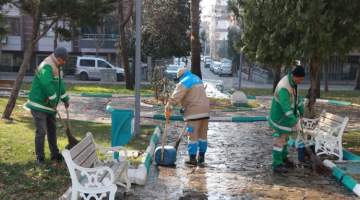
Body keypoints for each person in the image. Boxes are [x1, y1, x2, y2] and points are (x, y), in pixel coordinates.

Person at [25, 47, 70, 164]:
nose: (64, 62)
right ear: (59, 58)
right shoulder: (46, 65)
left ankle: (55, 154)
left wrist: (65, 99)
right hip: (39, 104)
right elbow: (46, 84)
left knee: (52, 130)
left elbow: (60, 85)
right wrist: (54, 100)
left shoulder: (58, 67)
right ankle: (40, 157)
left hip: (49, 105)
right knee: (41, 131)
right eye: (64, 60)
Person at [165, 68, 210, 166]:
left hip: (194, 113)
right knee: (203, 135)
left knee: (192, 136)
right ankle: (201, 157)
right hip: (206, 112)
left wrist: (168, 106)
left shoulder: (184, 82)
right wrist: (184, 107)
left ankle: (192, 158)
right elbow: (194, 96)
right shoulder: (197, 78)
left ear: (181, 76)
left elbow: (176, 96)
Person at [268, 60, 305, 173]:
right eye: (300, 79)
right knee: (279, 141)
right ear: (295, 76)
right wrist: (295, 122)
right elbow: (286, 109)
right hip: (279, 118)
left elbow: (295, 98)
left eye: (302, 79)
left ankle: (283, 158)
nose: (301, 82)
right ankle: (277, 164)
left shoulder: (293, 83)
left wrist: (301, 109)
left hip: (285, 120)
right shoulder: (284, 87)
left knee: (285, 138)